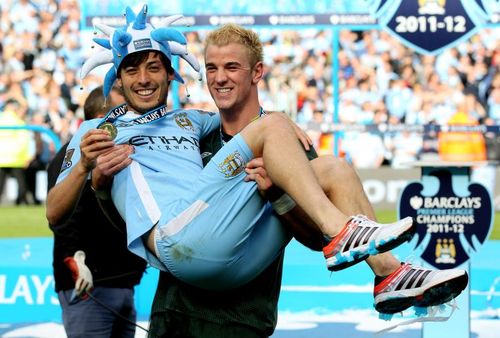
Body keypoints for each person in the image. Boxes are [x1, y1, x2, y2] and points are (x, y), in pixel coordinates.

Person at [48, 6, 467, 334]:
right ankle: (344, 233)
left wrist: (281, 134)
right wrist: (87, 168)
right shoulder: (96, 128)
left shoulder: (191, 122)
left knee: (334, 169)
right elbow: (54, 212)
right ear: (117, 77)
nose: (143, 78)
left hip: (238, 279)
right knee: (270, 128)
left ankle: (388, 276)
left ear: (170, 74)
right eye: (132, 69)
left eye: (153, 67)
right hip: (178, 249)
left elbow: (252, 119)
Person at [46, 85, 147, 338]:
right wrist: (74, 261)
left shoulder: (119, 153)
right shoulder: (69, 159)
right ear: (102, 119)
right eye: (120, 113)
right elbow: (63, 218)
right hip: (89, 286)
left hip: (123, 281)